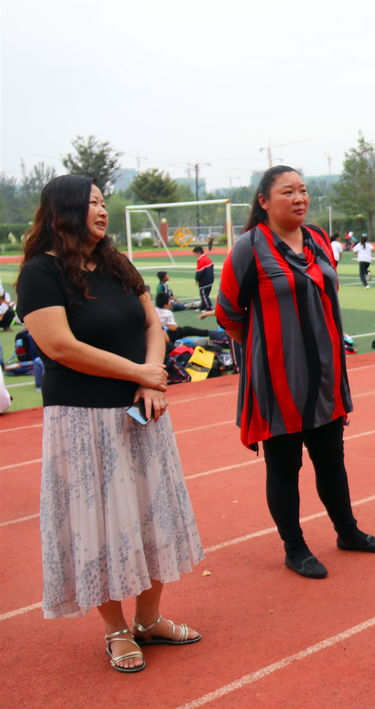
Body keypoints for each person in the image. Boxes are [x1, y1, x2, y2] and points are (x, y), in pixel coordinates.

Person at [14, 175, 203, 673]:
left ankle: (149, 619)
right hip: (81, 422)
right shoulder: (40, 273)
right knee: (98, 526)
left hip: (140, 413)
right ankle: (116, 630)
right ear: (65, 210)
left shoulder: (118, 264)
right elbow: (60, 347)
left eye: (103, 201)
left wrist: (151, 382)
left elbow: (151, 325)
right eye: (92, 202)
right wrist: (138, 372)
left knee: (150, 515)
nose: (102, 209)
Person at [216, 165, 375, 580]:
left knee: (332, 458)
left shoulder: (316, 239)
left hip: (326, 373)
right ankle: (294, 547)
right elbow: (227, 312)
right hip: (277, 380)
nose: (299, 199)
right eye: (287, 192)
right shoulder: (249, 247)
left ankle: (347, 532)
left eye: (303, 191)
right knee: (284, 465)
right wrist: (268, 346)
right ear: (263, 202)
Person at [192, 245, 214, 310]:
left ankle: (209, 307)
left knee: (204, 295)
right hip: (210, 280)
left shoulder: (201, 260)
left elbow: (199, 272)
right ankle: (203, 306)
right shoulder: (207, 258)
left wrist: (196, 279)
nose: (195, 255)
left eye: (195, 254)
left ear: (198, 253)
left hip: (204, 281)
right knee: (204, 294)